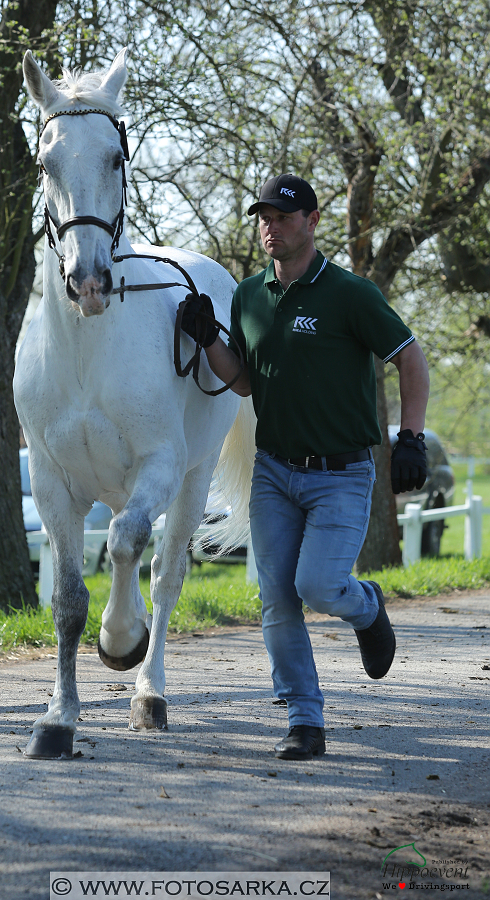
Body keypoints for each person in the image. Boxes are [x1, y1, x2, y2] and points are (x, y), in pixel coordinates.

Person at [181, 173, 429, 761]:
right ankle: (304, 719)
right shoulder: (248, 296)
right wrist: (209, 338)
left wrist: (411, 437)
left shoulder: (350, 294)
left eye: (284, 216)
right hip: (274, 471)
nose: (271, 226)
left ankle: (367, 605)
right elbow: (242, 381)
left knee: (317, 586)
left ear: (313, 221)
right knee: (276, 597)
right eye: (263, 216)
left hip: (342, 474)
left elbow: (411, 360)